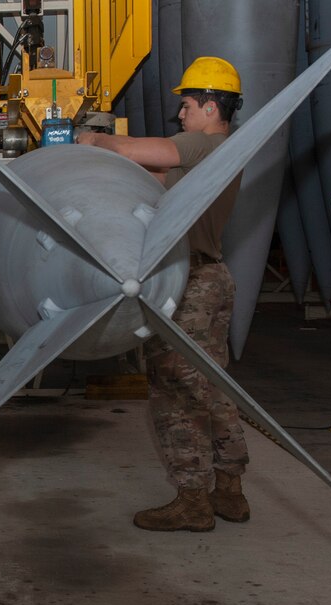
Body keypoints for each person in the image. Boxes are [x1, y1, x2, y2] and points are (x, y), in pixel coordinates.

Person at [77, 56, 250, 532]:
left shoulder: (203, 144)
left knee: (176, 388)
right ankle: (230, 490)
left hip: (187, 284)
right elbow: (152, 181)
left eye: (188, 104)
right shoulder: (219, 154)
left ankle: (192, 499)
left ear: (212, 106)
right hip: (213, 276)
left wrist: (93, 141)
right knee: (214, 386)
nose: (181, 114)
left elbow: (135, 153)